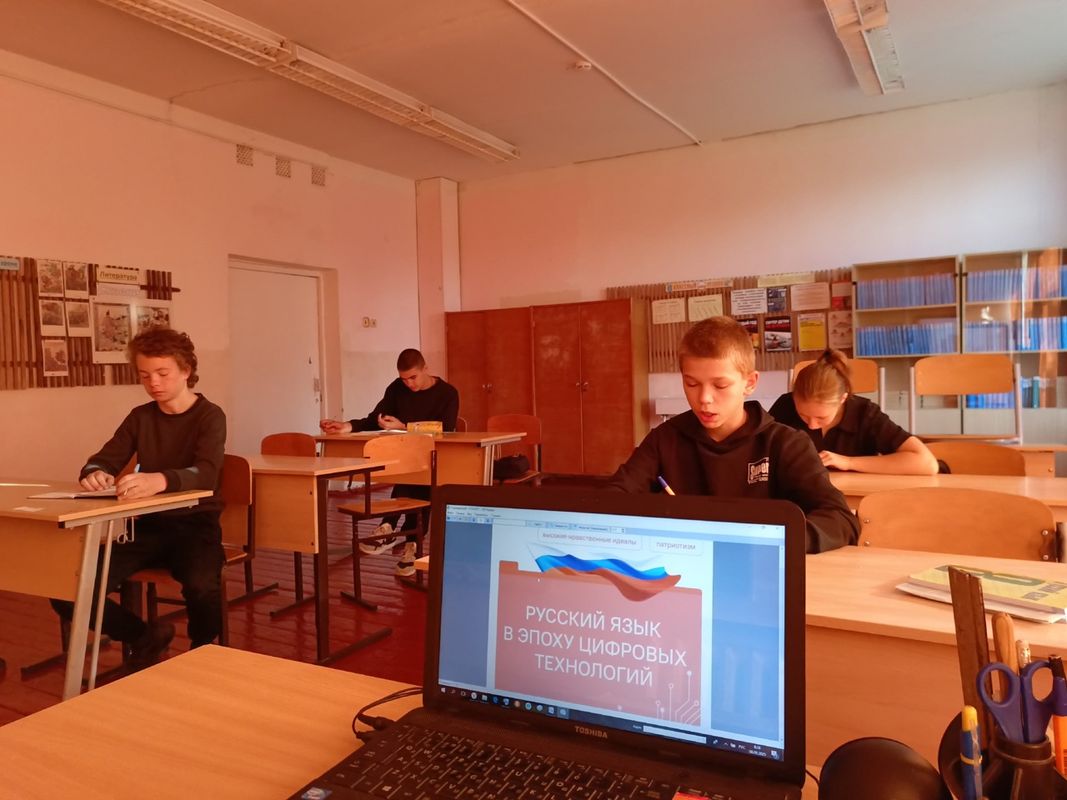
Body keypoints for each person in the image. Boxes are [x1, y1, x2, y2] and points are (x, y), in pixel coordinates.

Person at [50, 327, 226, 670]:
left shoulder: (209, 415)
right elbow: (103, 459)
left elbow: (207, 473)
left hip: (196, 525)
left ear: (186, 370)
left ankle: (203, 655)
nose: (153, 383)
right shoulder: (140, 416)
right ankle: (145, 637)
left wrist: (159, 480)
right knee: (68, 589)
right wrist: (95, 472)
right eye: (145, 375)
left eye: (162, 373)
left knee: (202, 587)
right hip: (147, 526)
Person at [609, 317, 857, 553]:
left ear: (750, 383)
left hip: (759, 569)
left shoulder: (784, 444)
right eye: (692, 384)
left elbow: (840, 519)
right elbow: (612, 499)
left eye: (720, 385)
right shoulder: (665, 439)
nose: (704, 398)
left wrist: (772, 542)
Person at [320, 348, 459, 576]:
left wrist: (405, 427)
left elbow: (447, 428)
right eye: (404, 379)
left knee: (419, 473)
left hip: (436, 456)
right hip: (407, 460)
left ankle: (391, 529)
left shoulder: (448, 393)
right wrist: (347, 426)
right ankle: (409, 543)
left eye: (413, 377)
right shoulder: (396, 388)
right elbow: (375, 419)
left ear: (425, 368)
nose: (409, 384)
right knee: (412, 472)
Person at [769, 349, 939, 476]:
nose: (812, 425)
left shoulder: (865, 413)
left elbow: (926, 463)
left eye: (821, 417)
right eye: (803, 415)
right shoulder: (785, 406)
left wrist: (849, 462)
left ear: (843, 399)